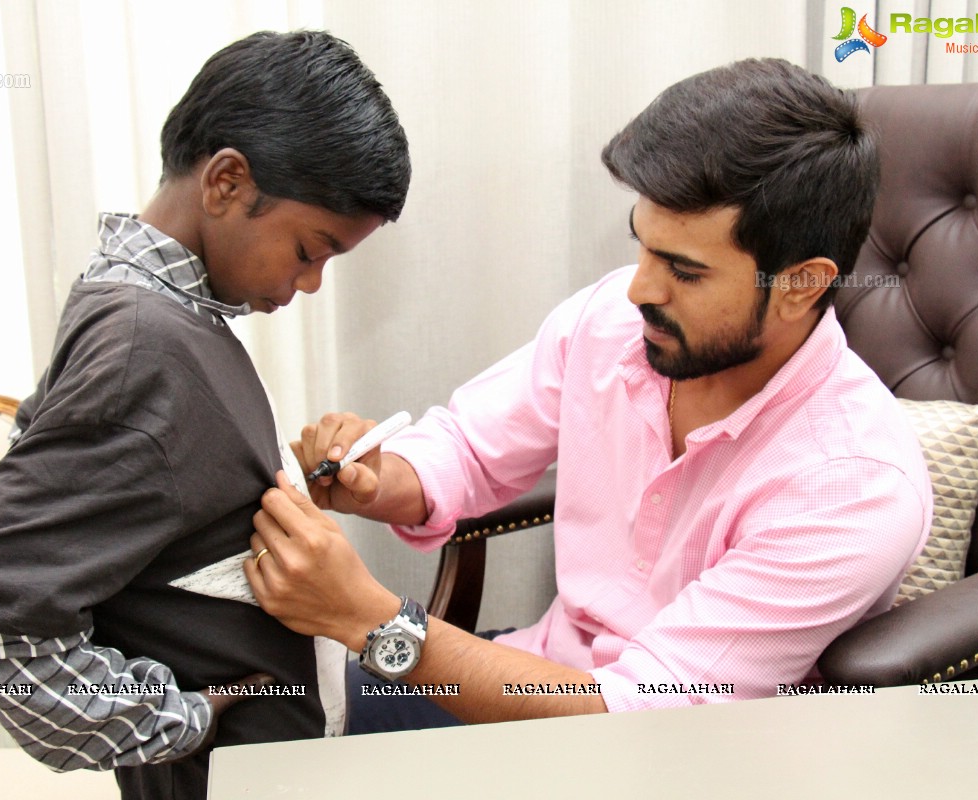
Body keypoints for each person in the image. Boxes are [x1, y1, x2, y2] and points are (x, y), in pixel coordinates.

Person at [242, 58, 932, 732]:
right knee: (266, 707)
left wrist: (371, 621)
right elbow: (469, 449)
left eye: (684, 272)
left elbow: (638, 715)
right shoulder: (616, 324)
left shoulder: (852, 487)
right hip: (541, 674)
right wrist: (379, 478)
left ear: (801, 285)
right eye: (644, 247)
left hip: (681, 758)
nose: (640, 289)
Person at [0, 30, 410, 798]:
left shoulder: (157, 315)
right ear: (226, 182)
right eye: (311, 250)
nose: (310, 283)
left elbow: (159, 513)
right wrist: (175, 719)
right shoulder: (148, 347)